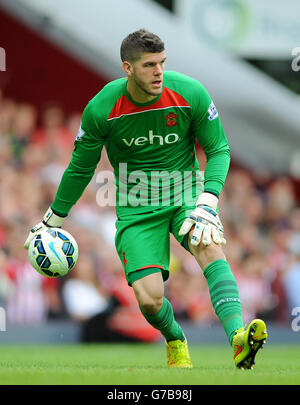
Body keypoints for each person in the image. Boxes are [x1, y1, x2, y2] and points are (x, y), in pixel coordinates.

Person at [24, 29, 267, 369]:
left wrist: (208, 201)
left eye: (162, 63)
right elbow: (81, 168)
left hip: (186, 194)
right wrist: (53, 219)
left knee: (209, 245)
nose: (159, 72)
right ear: (128, 68)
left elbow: (219, 150)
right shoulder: (102, 108)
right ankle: (175, 337)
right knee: (150, 300)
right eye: (150, 65)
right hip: (137, 208)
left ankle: (238, 338)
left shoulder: (190, 93)